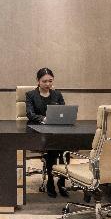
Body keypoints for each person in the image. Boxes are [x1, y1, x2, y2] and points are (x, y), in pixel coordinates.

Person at [25, 67, 68, 198]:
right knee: (52, 149)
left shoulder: (57, 94)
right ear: (38, 81)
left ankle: (62, 181)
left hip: (56, 130)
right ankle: (50, 181)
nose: (48, 84)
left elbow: (64, 112)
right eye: (44, 81)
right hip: (39, 131)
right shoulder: (31, 95)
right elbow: (30, 114)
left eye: (50, 81)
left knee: (65, 149)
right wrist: (44, 119)